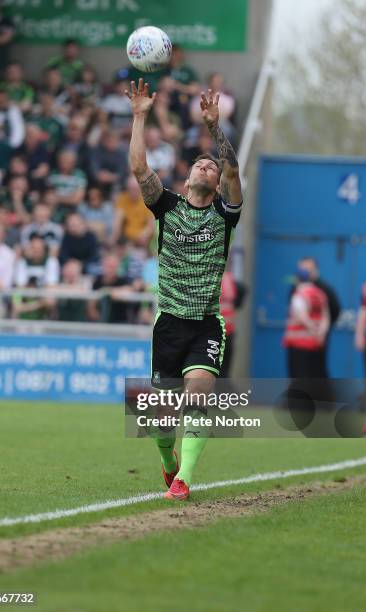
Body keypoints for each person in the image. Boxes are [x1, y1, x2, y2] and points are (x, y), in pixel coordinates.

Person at [126, 79, 243, 501]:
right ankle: (168, 462)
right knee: (161, 420)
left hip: (206, 325)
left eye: (210, 166)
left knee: (197, 394)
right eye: (199, 163)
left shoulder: (224, 215)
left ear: (214, 184)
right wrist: (140, 115)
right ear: (189, 174)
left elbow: (232, 171)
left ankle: (184, 480)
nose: (204, 166)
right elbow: (140, 169)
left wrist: (214, 129)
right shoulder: (168, 206)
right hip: (168, 323)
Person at [294, 257, 341, 377]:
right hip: (299, 341)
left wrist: (321, 330)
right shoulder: (296, 289)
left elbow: (333, 310)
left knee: (317, 370)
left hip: (317, 339)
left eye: (307, 269)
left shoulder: (324, 289)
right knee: (299, 372)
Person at [283, 268, 330, 378]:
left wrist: (312, 329)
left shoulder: (299, 295)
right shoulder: (320, 294)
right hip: (316, 343)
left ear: (297, 280)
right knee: (314, 374)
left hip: (298, 344)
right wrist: (320, 333)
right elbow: (326, 317)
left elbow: (301, 317)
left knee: (298, 375)